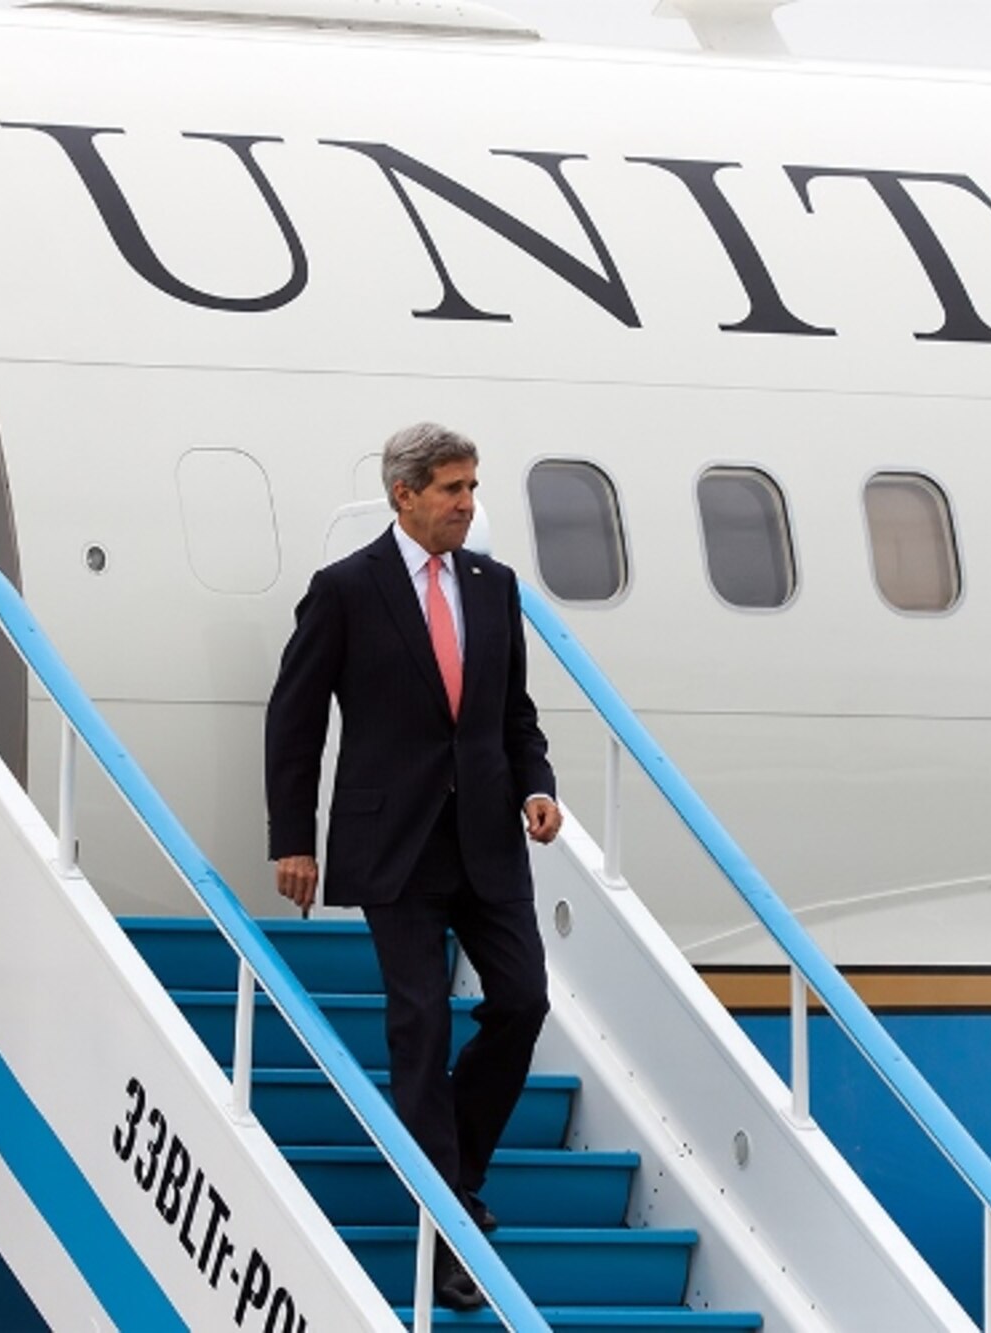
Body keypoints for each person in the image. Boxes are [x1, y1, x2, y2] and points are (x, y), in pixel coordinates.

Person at [264, 422, 561, 1312]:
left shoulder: (493, 586)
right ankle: (448, 1228)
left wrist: (536, 786)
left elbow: (515, 714)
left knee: (522, 1001)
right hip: (393, 844)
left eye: (474, 489)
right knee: (421, 1024)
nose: (469, 505)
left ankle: (455, 1172)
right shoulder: (346, 590)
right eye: (453, 489)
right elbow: (296, 717)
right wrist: (293, 838)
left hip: (487, 840)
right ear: (405, 494)